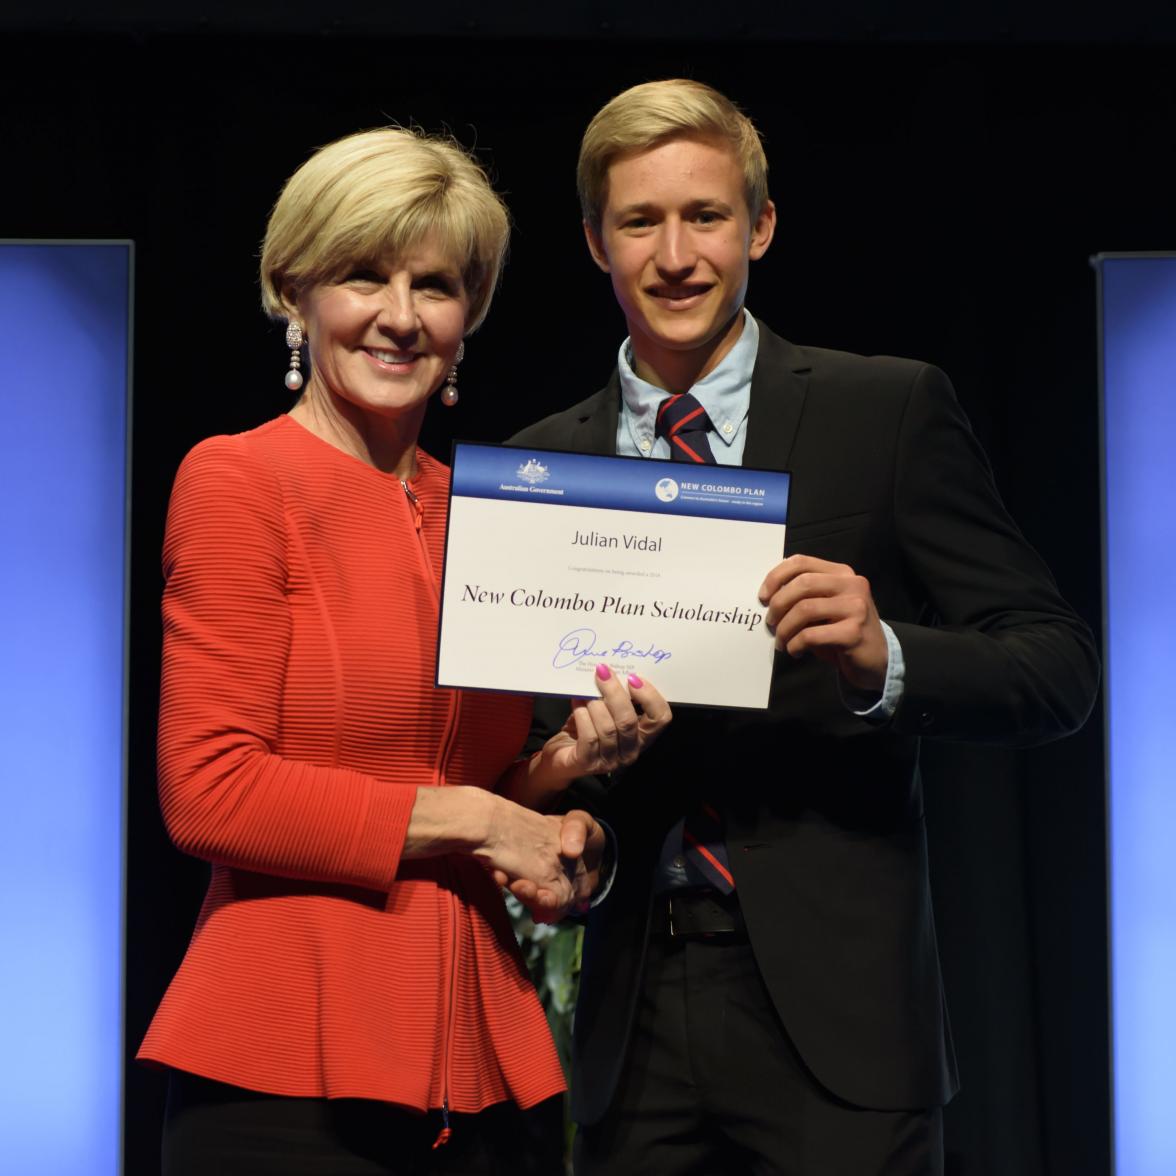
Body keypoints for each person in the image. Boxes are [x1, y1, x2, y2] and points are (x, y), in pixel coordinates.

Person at [509, 80, 1099, 1175]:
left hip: (847, 1028)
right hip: (635, 1021)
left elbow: (1056, 669)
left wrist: (887, 657)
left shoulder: (887, 410)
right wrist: (565, 774)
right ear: (595, 241)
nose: (676, 254)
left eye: (707, 216)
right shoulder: (545, 464)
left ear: (761, 227)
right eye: (640, 221)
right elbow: (529, 754)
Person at [137, 126, 671, 1176]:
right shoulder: (238, 481)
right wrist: (483, 821)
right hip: (284, 1068)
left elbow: (464, 771)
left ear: (466, 316)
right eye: (361, 275)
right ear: (296, 292)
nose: (398, 314)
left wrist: (564, 787)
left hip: (483, 1059)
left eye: (433, 284)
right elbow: (209, 790)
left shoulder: (485, 509)